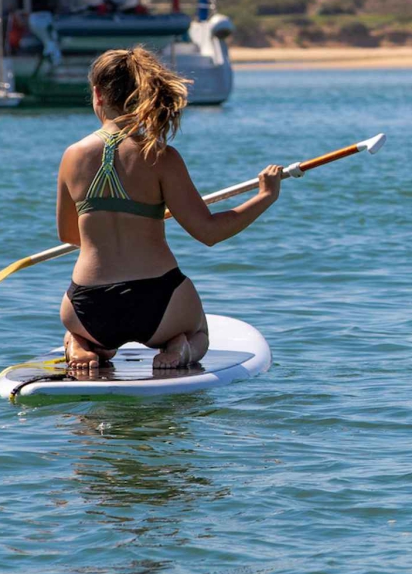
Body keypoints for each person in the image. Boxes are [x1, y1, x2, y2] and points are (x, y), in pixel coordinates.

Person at [56, 47, 283, 370]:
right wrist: (265, 196)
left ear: (98, 95)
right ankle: (180, 347)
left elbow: (68, 234)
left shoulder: (72, 155)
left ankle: (82, 345)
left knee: (84, 334)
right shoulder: (161, 156)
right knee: (200, 332)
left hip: (89, 305)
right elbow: (209, 232)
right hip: (158, 301)